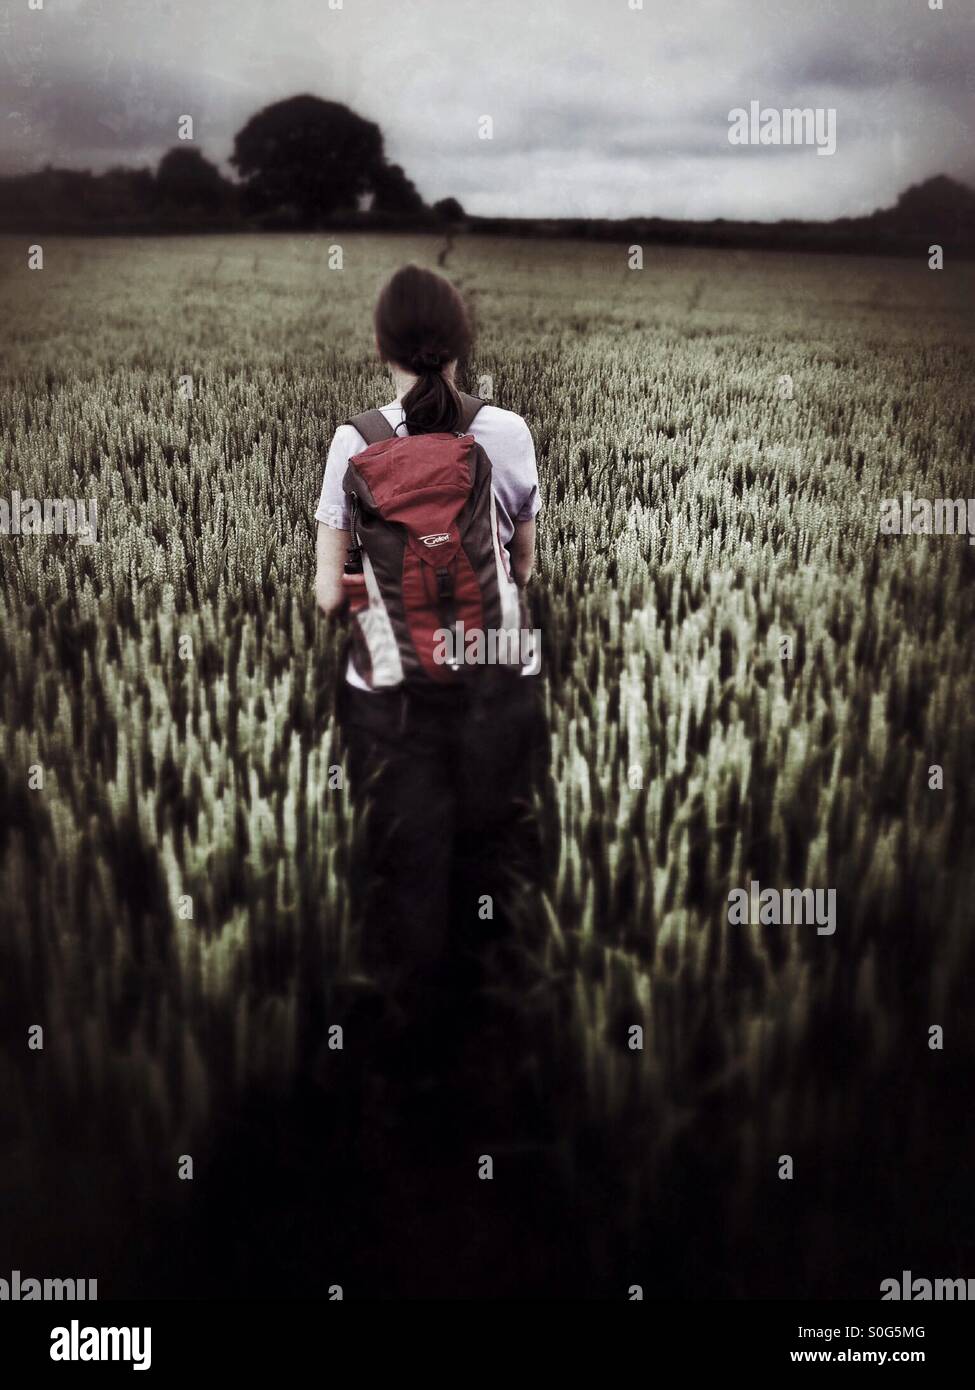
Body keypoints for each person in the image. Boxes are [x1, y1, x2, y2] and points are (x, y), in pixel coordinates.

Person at [313, 264, 545, 1061]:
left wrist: (372, 583)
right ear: (459, 344)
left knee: (411, 864)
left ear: (380, 344)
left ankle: (412, 1053)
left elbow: (324, 595)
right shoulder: (507, 432)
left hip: (391, 688)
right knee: (489, 851)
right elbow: (520, 569)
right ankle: (500, 1033)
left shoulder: (356, 440)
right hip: (496, 680)